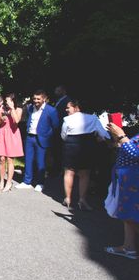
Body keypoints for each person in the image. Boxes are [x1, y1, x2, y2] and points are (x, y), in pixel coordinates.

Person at [60, 100, 110, 211]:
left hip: (71, 145)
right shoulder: (93, 118)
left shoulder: (67, 119)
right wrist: (103, 139)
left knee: (69, 172)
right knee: (84, 174)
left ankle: (68, 198)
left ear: (76, 107)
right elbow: (103, 133)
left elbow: (63, 135)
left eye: (68, 107)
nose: (66, 110)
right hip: (87, 146)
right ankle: (82, 199)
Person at [104, 123, 139, 260]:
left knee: (130, 216)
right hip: (129, 180)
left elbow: (136, 154)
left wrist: (121, 135)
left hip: (134, 181)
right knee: (127, 214)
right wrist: (118, 138)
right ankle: (129, 247)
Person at [16, 90, 60, 192]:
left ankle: (40, 183)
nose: (36, 101)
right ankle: (27, 181)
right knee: (28, 159)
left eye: (38, 99)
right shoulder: (31, 108)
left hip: (42, 138)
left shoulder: (51, 110)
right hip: (30, 137)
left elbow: (56, 126)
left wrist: (48, 136)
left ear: (44, 99)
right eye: (34, 98)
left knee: (41, 162)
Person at [0, 93, 24, 192]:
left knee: (10, 159)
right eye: (6, 100)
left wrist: (12, 108)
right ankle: (2, 180)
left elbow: (16, 121)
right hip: (2, 133)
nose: (6, 102)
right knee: (2, 159)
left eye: (8, 101)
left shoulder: (18, 109)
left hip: (12, 134)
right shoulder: (1, 109)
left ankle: (9, 182)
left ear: (13, 101)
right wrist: (1, 120)